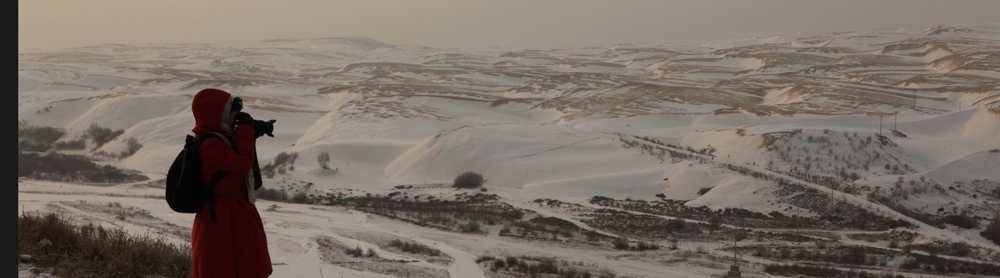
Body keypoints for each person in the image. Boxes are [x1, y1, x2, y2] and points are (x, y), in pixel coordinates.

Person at [190, 88, 275, 278]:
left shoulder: (220, 139)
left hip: (233, 217)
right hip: (220, 221)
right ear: (218, 116)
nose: (235, 121)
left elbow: (236, 149)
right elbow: (242, 164)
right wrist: (246, 130)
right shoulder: (209, 144)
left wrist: (256, 128)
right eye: (233, 115)